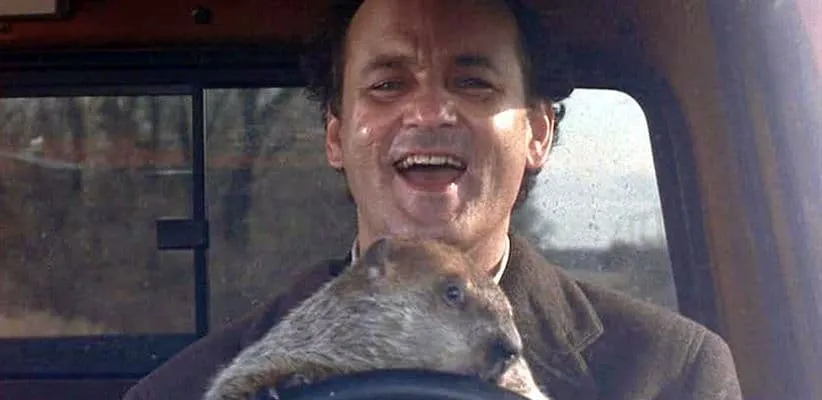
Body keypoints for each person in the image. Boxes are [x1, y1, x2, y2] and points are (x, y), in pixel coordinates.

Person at [122, 0, 743, 399]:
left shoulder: (672, 373)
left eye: (472, 82)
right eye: (387, 84)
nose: (428, 112)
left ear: (538, 132)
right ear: (336, 137)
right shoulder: (182, 389)